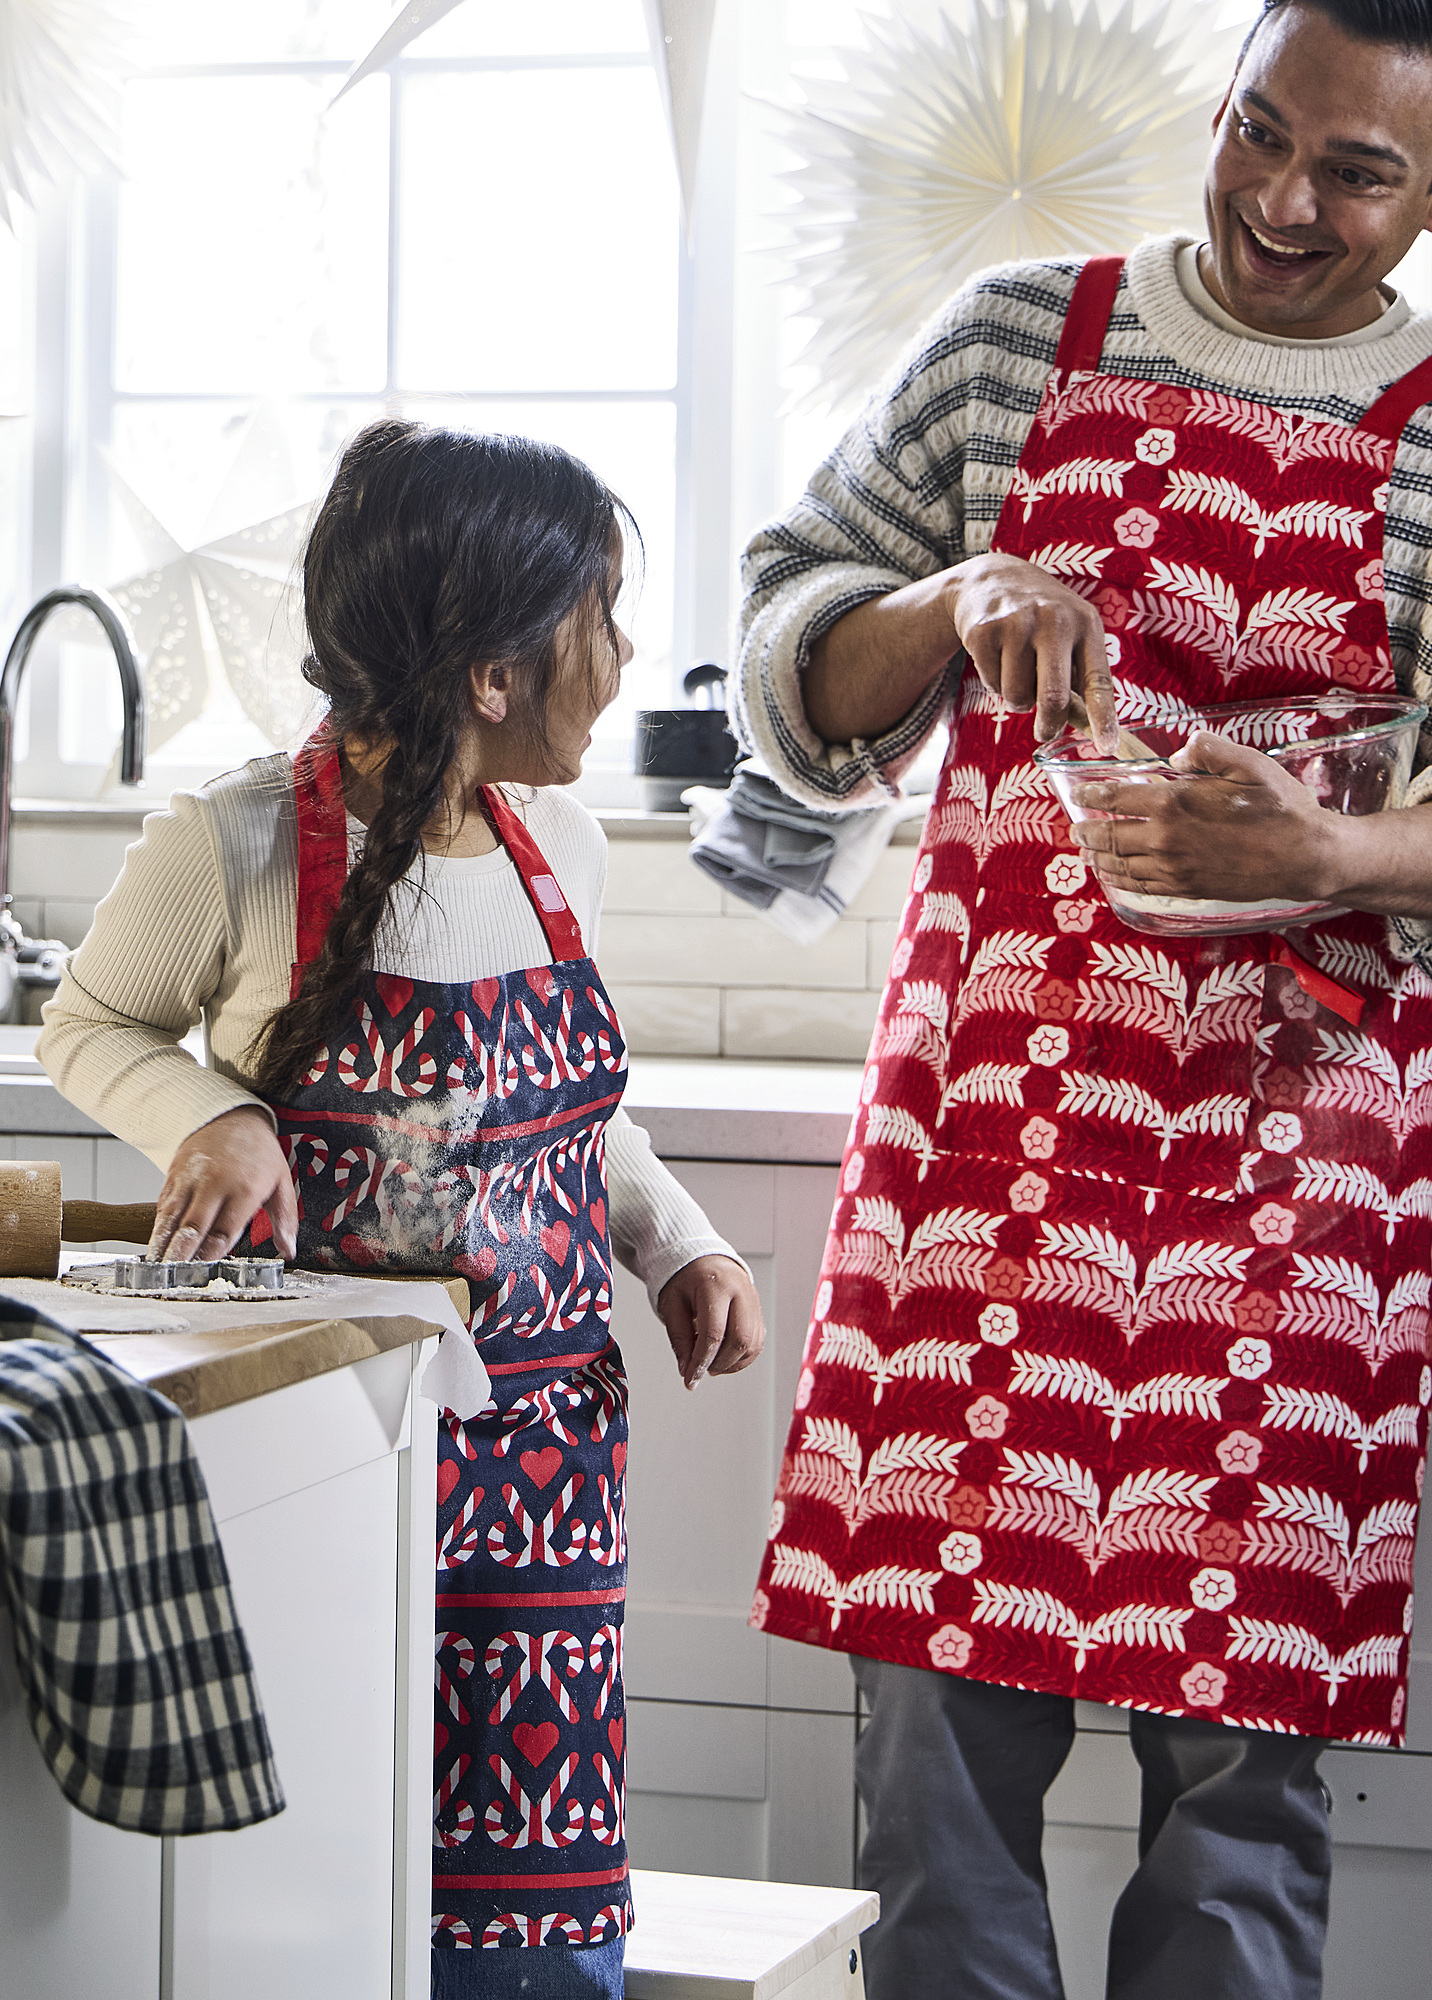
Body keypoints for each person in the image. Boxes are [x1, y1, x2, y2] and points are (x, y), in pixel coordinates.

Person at [739, 3, 1432, 1995]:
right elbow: (787, 652)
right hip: (984, 1158)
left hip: (1294, 1192)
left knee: (1232, 1813)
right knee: (930, 1791)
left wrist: (1335, 860)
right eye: (1256, 132)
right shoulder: (1009, 339)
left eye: (1357, 171)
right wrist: (949, 600)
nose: (1281, 200)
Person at [40, 418, 765, 1996]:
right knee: (324, 1852)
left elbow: (570, 1115)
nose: (628, 655)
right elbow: (85, 1025)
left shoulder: (554, 841)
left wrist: (679, 1241)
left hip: (547, 1456)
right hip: (332, 1446)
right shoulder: (230, 842)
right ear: (494, 674)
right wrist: (219, 1115)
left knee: (534, 1882)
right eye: (602, 617)